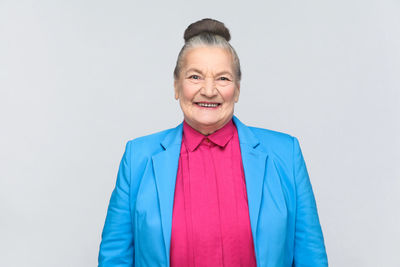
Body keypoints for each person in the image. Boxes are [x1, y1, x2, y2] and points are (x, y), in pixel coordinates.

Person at [98, 18, 328, 267]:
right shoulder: (138, 158)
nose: (208, 90)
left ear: (237, 89)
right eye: (195, 77)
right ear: (176, 85)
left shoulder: (285, 154)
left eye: (223, 79)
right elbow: (115, 259)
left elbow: (310, 258)